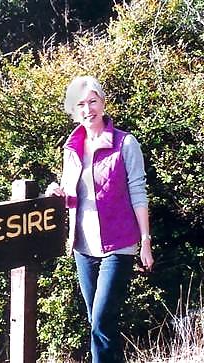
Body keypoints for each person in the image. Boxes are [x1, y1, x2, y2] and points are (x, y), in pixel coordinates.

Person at [45, 76, 154, 363]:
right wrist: (55, 191)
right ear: (72, 110)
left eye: (93, 101)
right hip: (84, 248)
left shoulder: (125, 143)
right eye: (80, 104)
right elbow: (70, 194)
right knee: (101, 325)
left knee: (102, 322)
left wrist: (145, 241)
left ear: (103, 104)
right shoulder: (72, 148)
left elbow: (138, 193)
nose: (87, 109)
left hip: (119, 245)